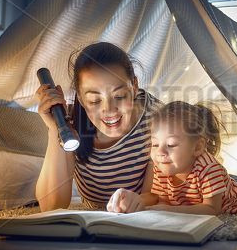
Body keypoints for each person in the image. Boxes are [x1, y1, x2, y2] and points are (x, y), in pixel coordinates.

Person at [35, 42, 161, 211]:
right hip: (93, 221)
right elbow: (51, 206)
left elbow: (157, 197)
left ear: (134, 86)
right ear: (80, 97)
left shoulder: (158, 118)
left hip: (137, 216)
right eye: (95, 100)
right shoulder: (70, 123)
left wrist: (137, 202)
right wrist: (54, 129)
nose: (109, 110)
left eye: (119, 96)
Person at [108, 101, 237, 215]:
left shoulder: (209, 169)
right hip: (219, 184)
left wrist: (170, 211)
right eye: (154, 144)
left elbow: (212, 209)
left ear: (197, 147)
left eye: (171, 144)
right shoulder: (162, 166)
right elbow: (164, 200)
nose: (160, 152)